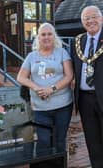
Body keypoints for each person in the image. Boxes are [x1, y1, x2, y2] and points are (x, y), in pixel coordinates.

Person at [17, 22, 73, 150]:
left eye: (49, 34)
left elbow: (69, 76)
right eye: (43, 34)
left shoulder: (62, 53)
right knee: (43, 142)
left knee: (60, 140)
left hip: (62, 106)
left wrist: (51, 89)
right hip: (40, 108)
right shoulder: (31, 56)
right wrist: (36, 87)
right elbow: (21, 77)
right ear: (38, 37)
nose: (46, 37)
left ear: (54, 36)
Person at [71, 5, 103, 168]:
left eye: (93, 17)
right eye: (86, 18)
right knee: (92, 139)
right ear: (82, 22)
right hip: (84, 99)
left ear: (101, 18)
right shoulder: (78, 41)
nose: (90, 21)